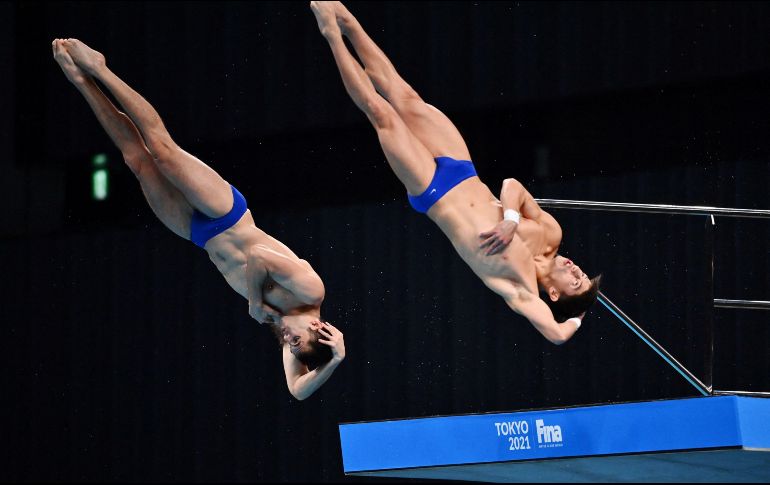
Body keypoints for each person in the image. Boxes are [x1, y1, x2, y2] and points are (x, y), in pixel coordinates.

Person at [52, 38, 344, 400]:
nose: (287, 340)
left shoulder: (279, 323)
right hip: (227, 215)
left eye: (290, 346)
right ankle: (99, 69)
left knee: (136, 161)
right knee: (161, 150)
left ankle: (81, 83)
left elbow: (298, 391)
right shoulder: (310, 290)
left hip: (197, 233)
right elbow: (258, 257)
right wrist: (254, 301)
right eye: (296, 339)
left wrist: (334, 361)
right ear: (318, 326)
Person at [310, 1, 601, 345]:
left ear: (553, 294)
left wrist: (577, 321)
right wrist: (509, 219)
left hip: (432, 190)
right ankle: (344, 17)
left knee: (381, 112)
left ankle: (331, 34)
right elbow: (512, 186)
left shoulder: (518, 286)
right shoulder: (551, 232)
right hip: (462, 170)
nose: (576, 270)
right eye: (581, 272)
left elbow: (555, 335)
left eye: (576, 281)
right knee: (405, 95)